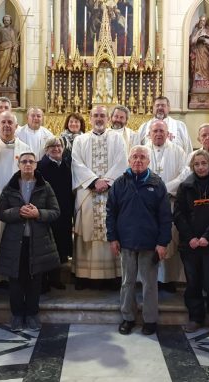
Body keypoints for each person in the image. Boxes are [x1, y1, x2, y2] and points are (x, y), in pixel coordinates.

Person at [107, 145, 172, 336]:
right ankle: (128, 317)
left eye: (142, 157)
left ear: (148, 161)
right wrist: (113, 238)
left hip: (150, 243)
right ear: (129, 160)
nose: (138, 160)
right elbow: (111, 213)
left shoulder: (157, 184)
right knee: (127, 282)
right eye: (134, 157)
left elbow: (165, 216)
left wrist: (163, 242)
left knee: (149, 283)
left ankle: (150, 320)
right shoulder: (120, 183)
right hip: (126, 242)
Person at [0, 151, 61, 331]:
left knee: (35, 280)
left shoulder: (45, 186)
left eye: (31, 162)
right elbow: (1, 212)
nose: (27, 165)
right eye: (24, 161)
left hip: (38, 241)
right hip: (14, 241)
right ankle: (17, 315)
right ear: (19, 164)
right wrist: (17, 212)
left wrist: (38, 213)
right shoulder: (10, 187)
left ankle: (32, 314)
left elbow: (56, 211)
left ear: (36, 165)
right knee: (15, 279)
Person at [71, 105, 128, 290]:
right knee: (86, 231)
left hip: (110, 194)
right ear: (89, 118)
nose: (99, 119)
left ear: (108, 118)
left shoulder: (117, 138)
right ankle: (83, 275)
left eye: (102, 115)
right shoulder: (80, 140)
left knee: (111, 230)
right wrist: (94, 181)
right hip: (88, 193)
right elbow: (76, 163)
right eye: (95, 115)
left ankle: (113, 276)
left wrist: (107, 181)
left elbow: (122, 161)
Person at [174, 150, 209, 334]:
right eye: (196, 164)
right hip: (190, 244)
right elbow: (179, 215)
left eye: (204, 163)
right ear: (192, 167)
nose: (200, 167)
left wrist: (207, 236)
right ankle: (195, 317)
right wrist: (191, 238)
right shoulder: (185, 186)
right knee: (193, 282)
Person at [0, 111, 31, 284]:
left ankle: (12, 277)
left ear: (16, 126)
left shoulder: (25, 149)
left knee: (13, 239)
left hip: (17, 204)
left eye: (10, 122)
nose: (6, 125)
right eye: (3, 122)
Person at [145, 120, 187, 293]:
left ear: (167, 133)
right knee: (149, 240)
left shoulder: (178, 151)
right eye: (155, 131)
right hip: (147, 205)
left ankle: (168, 280)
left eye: (161, 130)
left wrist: (164, 190)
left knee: (169, 239)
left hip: (170, 202)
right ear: (150, 133)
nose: (158, 134)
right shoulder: (143, 150)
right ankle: (149, 279)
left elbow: (185, 174)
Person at [37, 137, 73, 292]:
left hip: (63, 211)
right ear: (46, 149)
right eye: (52, 146)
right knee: (46, 247)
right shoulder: (40, 166)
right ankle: (43, 281)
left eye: (59, 146)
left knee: (59, 247)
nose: (56, 148)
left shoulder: (66, 165)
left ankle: (55, 278)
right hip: (47, 211)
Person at [0, 14, 19, 89]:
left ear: (10, 21)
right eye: (5, 20)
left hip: (10, 51)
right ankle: (0, 83)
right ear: (3, 21)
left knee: (10, 67)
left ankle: (8, 84)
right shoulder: (0, 29)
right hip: (2, 50)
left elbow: (15, 42)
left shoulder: (12, 31)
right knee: (1, 66)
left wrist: (15, 46)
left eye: (8, 20)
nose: (6, 21)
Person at [189, 15, 209, 91]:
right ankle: (197, 84)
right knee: (197, 69)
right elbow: (192, 41)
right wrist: (198, 36)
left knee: (205, 66)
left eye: (203, 21)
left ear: (206, 22)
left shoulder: (208, 31)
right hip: (197, 53)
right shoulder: (195, 31)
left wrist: (205, 40)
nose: (202, 22)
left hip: (205, 54)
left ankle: (205, 83)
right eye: (201, 20)